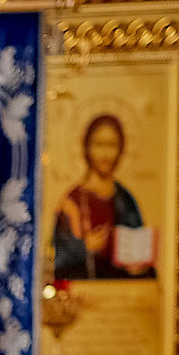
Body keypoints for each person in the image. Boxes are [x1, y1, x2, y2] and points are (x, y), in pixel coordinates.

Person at [51, 115, 155, 281]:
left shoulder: (125, 199)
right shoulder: (73, 200)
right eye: (99, 144)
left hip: (122, 290)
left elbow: (136, 242)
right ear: (87, 147)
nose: (105, 154)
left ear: (121, 149)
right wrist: (85, 247)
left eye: (112, 145)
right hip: (84, 288)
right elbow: (60, 255)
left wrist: (136, 261)